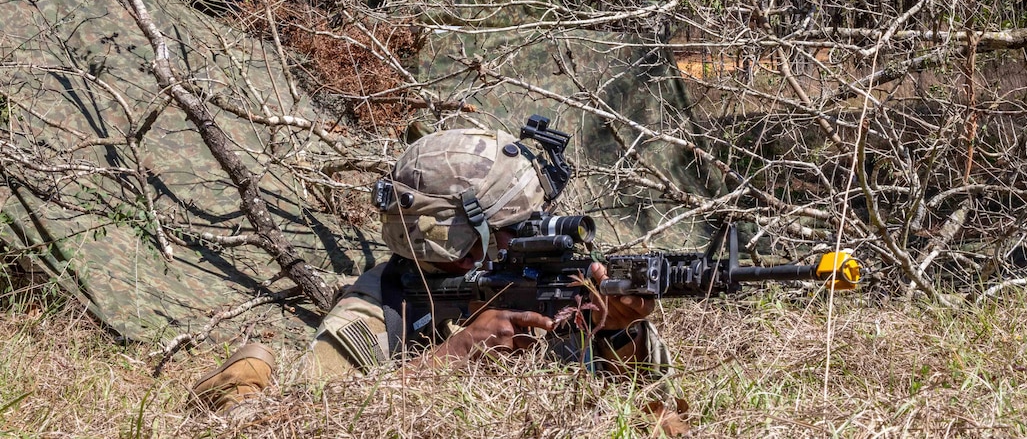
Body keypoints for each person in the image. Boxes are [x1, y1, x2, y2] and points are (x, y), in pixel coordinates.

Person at [191, 125, 687, 433]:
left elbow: (656, 403)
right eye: (515, 229)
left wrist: (615, 330)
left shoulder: (547, 283)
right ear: (453, 240)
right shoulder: (376, 312)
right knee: (252, 386)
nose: (534, 237)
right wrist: (454, 354)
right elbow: (300, 419)